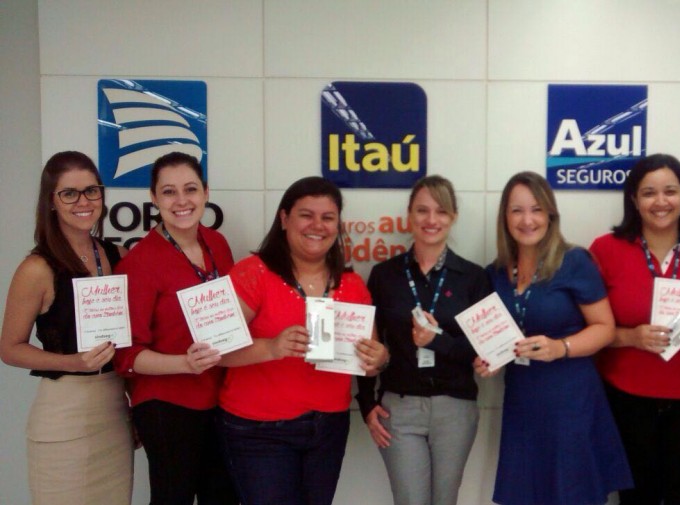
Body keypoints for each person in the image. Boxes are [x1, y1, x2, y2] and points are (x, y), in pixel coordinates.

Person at [216, 176, 389, 505]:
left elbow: (369, 367)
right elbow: (215, 350)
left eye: (328, 217)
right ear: (284, 219)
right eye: (306, 215)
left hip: (328, 428)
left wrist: (379, 359)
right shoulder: (253, 273)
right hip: (259, 430)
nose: (317, 226)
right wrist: (271, 347)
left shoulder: (352, 284)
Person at [476, 171, 632, 505]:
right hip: (522, 401)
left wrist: (561, 347)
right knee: (527, 494)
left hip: (570, 402)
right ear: (505, 217)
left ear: (550, 214)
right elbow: (497, 333)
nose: (527, 220)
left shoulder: (574, 261)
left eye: (536, 209)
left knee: (571, 494)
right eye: (517, 210)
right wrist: (488, 358)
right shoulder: (496, 273)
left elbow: (605, 328)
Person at [589, 154, 680, 505]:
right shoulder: (605, 249)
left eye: (670, 191)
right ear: (634, 199)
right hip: (627, 398)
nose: (660, 201)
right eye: (649, 193)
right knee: (637, 499)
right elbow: (589, 325)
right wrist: (630, 336)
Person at [0, 151, 133, 504]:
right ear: (51, 201)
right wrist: (72, 362)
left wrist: (135, 405)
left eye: (91, 190)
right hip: (64, 413)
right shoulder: (37, 268)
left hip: (114, 410)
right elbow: (10, 348)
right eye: (69, 193)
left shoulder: (118, 255)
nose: (83, 201)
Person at [357, 175, 492, 505]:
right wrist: (366, 404)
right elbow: (367, 343)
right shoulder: (384, 275)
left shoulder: (473, 277)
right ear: (409, 215)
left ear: (453, 217)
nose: (432, 220)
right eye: (422, 210)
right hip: (399, 408)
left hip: (455, 408)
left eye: (441, 211)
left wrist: (436, 340)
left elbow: (482, 351)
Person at [113, 152, 238, 505]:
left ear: (206, 192)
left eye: (190, 189)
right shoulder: (139, 263)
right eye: (169, 192)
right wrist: (184, 363)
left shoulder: (217, 243)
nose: (181, 201)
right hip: (166, 405)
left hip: (219, 398)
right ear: (154, 198)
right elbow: (126, 356)